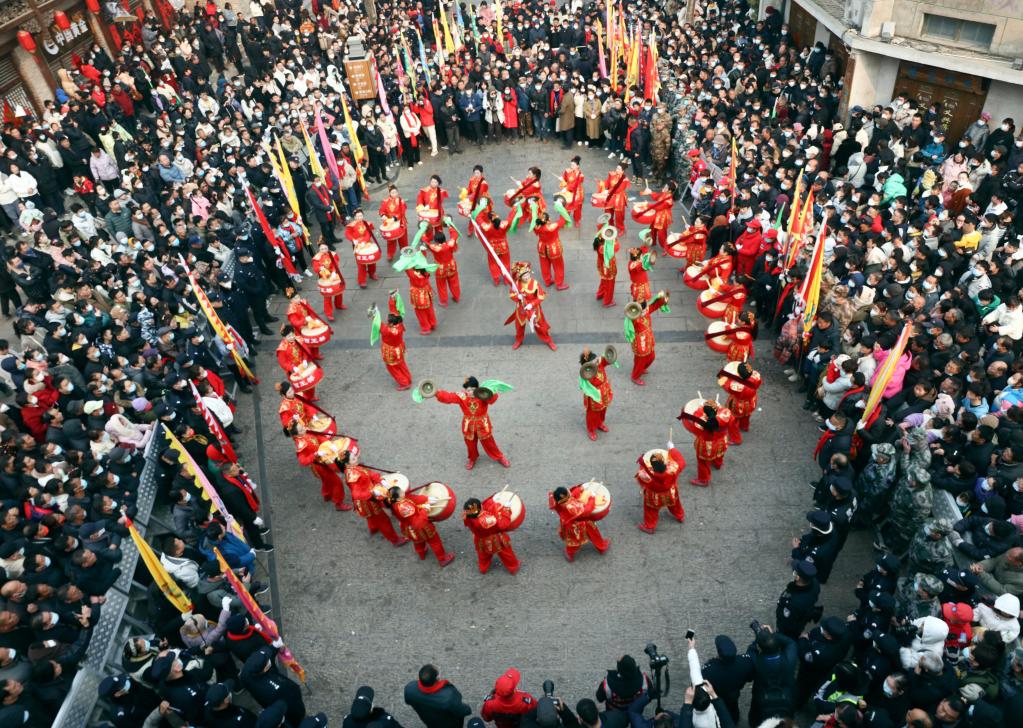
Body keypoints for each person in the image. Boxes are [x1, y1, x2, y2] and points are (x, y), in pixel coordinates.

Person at [433, 377, 510, 469]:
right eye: (468, 390)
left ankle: (499, 457)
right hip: (468, 426)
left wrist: (491, 392)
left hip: (483, 425)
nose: (470, 392)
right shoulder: (462, 396)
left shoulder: (482, 394)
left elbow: (492, 400)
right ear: (465, 390)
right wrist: (436, 393)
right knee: (470, 444)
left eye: (473, 389)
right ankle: (472, 458)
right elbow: (448, 397)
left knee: (489, 443)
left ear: (477, 388)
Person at [341, 449, 405, 546]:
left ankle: (373, 527)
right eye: (353, 459)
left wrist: (380, 480)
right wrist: (372, 492)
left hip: (366, 499)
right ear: (347, 464)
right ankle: (395, 540)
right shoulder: (353, 476)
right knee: (383, 521)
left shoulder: (352, 469)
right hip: (368, 500)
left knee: (370, 516)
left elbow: (368, 474)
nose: (356, 458)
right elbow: (356, 494)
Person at [387, 486, 455, 567]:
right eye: (401, 492)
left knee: (418, 541)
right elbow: (417, 522)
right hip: (420, 528)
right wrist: (425, 510)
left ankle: (421, 553)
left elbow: (413, 510)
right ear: (397, 498)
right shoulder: (404, 507)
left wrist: (423, 505)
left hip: (409, 529)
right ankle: (442, 559)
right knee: (434, 541)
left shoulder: (395, 503)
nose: (403, 492)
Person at [634, 441, 687, 533]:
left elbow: (641, 479)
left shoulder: (646, 474)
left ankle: (650, 526)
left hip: (654, 496)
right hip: (670, 492)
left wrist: (643, 466)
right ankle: (680, 515)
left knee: (651, 511)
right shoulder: (673, 469)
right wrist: (672, 449)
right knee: (675, 504)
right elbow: (681, 461)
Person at [549, 485, 610, 562]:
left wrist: (579, 489)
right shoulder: (571, 507)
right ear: (564, 496)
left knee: (578, 540)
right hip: (577, 526)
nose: (569, 492)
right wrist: (592, 498)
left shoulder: (559, 500)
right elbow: (587, 510)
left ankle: (601, 546)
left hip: (570, 522)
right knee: (579, 540)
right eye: (567, 492)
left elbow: (572, 496)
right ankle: (601, 547)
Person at [462, 497, 521, 575]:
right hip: (495, 539)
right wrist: (506, 509)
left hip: (480, 539)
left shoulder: (468, 514)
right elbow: (502, 524)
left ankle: (483, 568)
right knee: (506, 553)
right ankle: (513, 567)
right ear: (481, 508)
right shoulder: (487, 521)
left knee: (483, 555)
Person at [680, 401, 732, 486]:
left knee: (703, 462)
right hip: (722, 440)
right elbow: (727, 416)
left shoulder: (701, 421)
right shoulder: (726, 413)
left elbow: (695, 418)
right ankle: (718, 464)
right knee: (720, 454)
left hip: (707, 445)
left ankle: (703, 479)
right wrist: (718, 407)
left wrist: (701, 408)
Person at [404, 664, 473, 728]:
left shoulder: (409, 689)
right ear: (436, 679)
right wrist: (468, 709)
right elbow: (462, 710)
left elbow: (408, 701)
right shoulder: (449, 696)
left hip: (430, 721)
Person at [507, 262, 556, 351]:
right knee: (519, 326)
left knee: (540, 325)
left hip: (533, 309)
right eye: (524, 276)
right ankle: (518, 340)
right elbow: (512, 294)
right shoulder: (517, 284)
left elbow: (541, 296)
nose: (526, 277)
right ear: (520, 277)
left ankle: (549, 340)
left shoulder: (535, 283)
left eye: (527, 275)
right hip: (521, 308)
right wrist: (517, 297)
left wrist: (532, 304)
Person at [627, 291, 669, 385]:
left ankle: (641, 368)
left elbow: (654, 305)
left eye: (642, 299)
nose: (641, 300)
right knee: (640, 359)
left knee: (651, 357)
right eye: (639, 300)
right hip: (640, 341)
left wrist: (663, 299)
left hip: (648, 338)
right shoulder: (633, 316)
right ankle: (635, 376)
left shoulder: (646, 309)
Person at [775, 559, 822, 640]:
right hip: (803, 612)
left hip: (790, 627)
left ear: (797, 577)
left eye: (794, 571)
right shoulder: (815, 583)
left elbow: (787, 624)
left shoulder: (793, 603)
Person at [719, 361, 762, 445]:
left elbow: (725, 385)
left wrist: (722, 376)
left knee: (732, 420)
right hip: (751, 401)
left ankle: (736, 439)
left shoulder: (737, 386)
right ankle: (744, 426)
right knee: (746, 415)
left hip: (738, 405)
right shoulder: (756, 375)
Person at [378, 294, 412, 390]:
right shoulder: (399, 324)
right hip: (399, 348)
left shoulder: (388, 331)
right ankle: (408, 378)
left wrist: (374, 315)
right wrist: (392, 299)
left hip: (391, 351)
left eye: (388, 321)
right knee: (401, 363)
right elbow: (394, 310)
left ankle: (404, 383)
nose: (387, 321)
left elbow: (379, 324)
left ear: (392, 323)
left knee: (392, 368)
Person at [533, 208, 571, 291]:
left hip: (542, 247)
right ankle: (559, 284)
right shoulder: (552, 227)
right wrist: (565, 210)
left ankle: (547, 281)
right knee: (558, 266)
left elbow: (536, 232)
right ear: (547, 221)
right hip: (553, 248)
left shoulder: (537, 227)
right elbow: (562, 220)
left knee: (544, 265)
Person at [427, 219, 462, 306]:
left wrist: (424, 231)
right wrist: (449, 225)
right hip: (451, 265)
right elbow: (455, 234)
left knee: (441, 285)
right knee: (454, 282)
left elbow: (425, 242)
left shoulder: (435, 248)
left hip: (440, 268)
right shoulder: (450, 244)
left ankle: (443, 301)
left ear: (436, 241)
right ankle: (456, 296)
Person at [311, 240, 347, 321]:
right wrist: (320, 268)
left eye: (325, 248)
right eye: (322, 249)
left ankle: (339, 304)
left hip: (333, 274)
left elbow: (335, 263)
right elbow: (315, 268)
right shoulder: (316, 258)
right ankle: (328, 313)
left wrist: (334, 271)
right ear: (319, 250)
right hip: (324, 277)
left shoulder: (332, 254)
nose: (324, 250)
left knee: (339, 290)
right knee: (327, 296)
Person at [345, 209, 380, 288]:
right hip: (357, 246)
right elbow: (348, 234)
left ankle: (372, 273)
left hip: (367, 243)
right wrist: (353, 240)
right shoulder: (351, 225)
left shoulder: (367, 224)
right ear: (354, 217)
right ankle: (362, 280)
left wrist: (364, 241)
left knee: (371, 260)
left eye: (361, 216)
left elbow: (368, 234)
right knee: (361, 263)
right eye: (357, 216)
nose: (359, 217)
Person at [378, 185, 409, 261]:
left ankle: (404, 251)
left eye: (395, 192)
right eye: (392, 192)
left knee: (403, 239)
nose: (394, 194)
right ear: (389, 193)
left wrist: (394, 218)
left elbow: (402, 212)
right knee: (390, 240)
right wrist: (383, 215)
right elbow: (381, 210)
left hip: (400, 221)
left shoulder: (401, 201)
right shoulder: (385, 201)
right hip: (390, 223)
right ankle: (390, 254)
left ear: (398, 192)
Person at [406, 265, 438, 335]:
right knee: (430, 309)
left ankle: (426, 328)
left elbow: (406, 267)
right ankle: (433, 323)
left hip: (418, 295)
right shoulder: (426, 272)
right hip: (427, 293)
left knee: (421, 313)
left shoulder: (413, 274)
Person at [599, 162, 630, 234]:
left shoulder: (625, 179)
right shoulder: (612, 174)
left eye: (619, 169)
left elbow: (618, 189)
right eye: (617, 168)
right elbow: (607, 182)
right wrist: (602, 184)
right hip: (610, 197)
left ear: (623, 171)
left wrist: (608, 191)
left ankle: (621, 228)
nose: (617, 170)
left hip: (619, 198)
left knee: (619, 215)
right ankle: (610, 225)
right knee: (608, 212)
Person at [593, 231, 619, 307]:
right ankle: (607, 301)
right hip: (608, 268)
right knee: (610, 285)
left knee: (603, 280)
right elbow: (617, 246)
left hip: (601, 265)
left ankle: (600, 294)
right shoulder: (605, 248)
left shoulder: (599, 246)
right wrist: (613, 239)